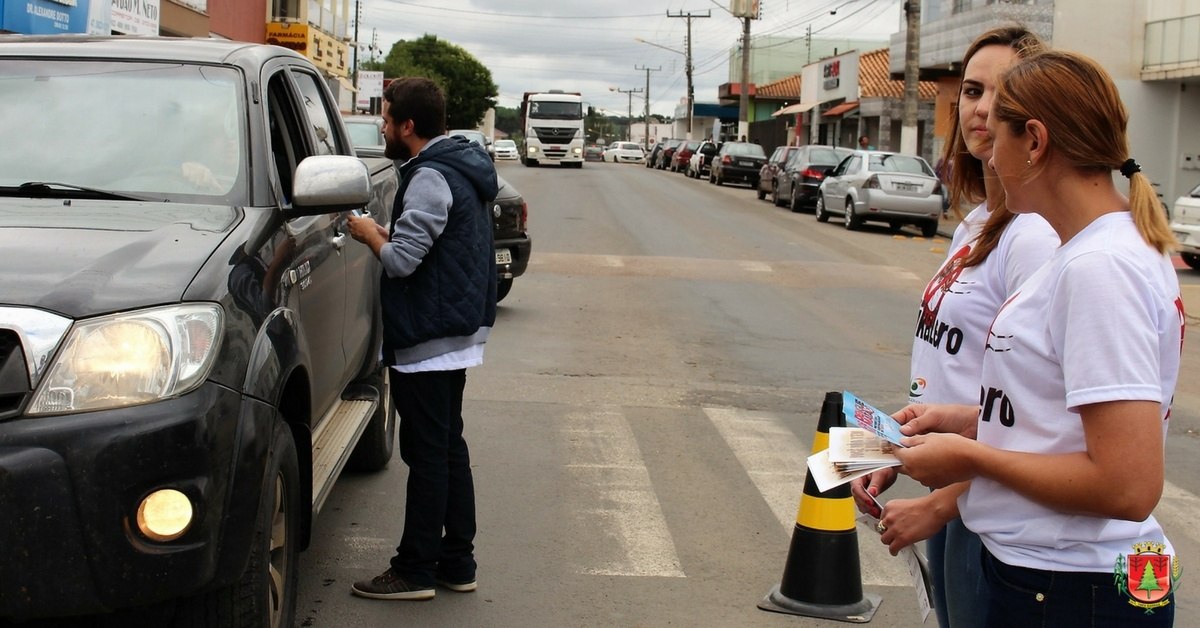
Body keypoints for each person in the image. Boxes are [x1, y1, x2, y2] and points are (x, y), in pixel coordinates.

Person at [892, 49, 1182, 627]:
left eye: (996, 135)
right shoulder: (1088, 250)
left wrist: (970, 456)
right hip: (1054, 576)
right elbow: (1062, 418)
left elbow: (1127, 485)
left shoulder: (1100, 267)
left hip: (1071, 586)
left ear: (1034, 141)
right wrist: (962, 421)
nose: (990, 158)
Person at [849, 26, 1057, 628]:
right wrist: (887, 449)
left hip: (987, 509)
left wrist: (941, 506)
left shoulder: (1034, 237)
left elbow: (1042, 420)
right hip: (952, 492)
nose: (982, 109)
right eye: (970, 90)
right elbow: (953, 377)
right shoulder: (976, 228)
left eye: (1005, 95)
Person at [346, 77, 499, 601]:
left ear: (408, 126)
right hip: (452, 331)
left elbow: (403, 260)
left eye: (387, 120)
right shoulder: (458, 165)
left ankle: (415, 569)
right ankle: (457, 562)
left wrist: (369, 235)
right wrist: (386, 234)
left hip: (430, 336)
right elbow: (426, 247)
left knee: (429, 453)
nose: (384, 128)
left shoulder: (431, 175)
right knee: (448, 448)